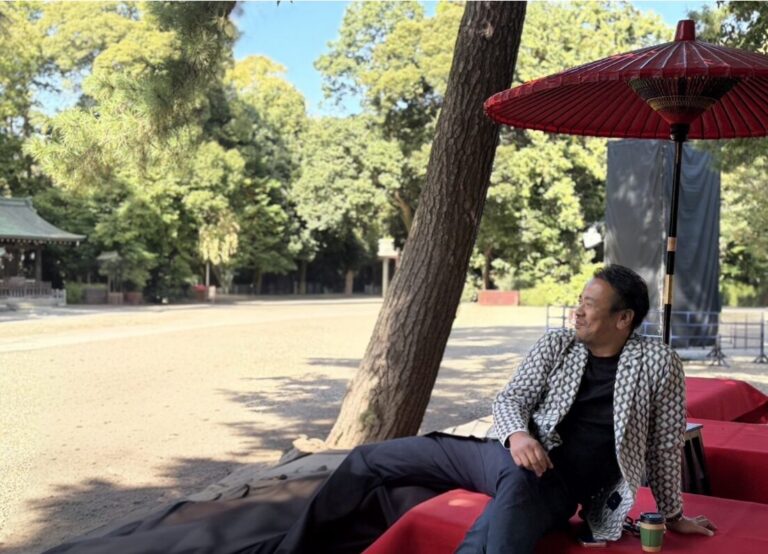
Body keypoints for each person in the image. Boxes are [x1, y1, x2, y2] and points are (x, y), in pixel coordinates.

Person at [276, 265, 716, 553]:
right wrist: (518, 435)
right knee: (367, 459)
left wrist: (672, 515)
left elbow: (664, 445)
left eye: (589, 304)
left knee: (492, 535)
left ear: (624, 319)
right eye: (580, 300)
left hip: (554, 485)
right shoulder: (557, 344)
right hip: (501, 454)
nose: (577, 312)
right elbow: (511, 399)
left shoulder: (658, 362)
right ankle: (292, 548)